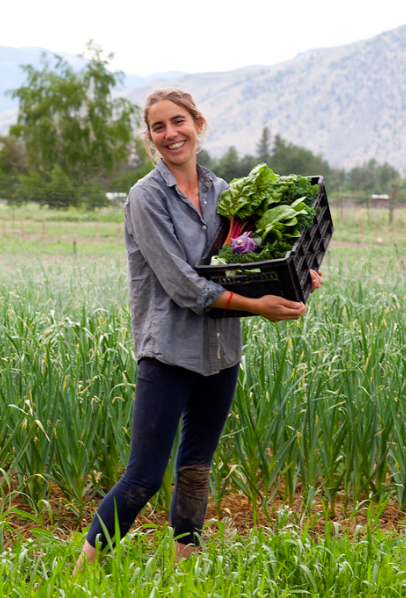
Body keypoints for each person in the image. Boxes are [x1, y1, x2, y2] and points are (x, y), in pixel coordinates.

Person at [74, 88, 322, 572]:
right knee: (143, 477)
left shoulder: (224, 192)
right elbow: (184, 285)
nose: (171, 134)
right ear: (149, 137)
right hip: (167, 351)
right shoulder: (145, 198)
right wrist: (258, 307)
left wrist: (298, 275)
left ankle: (187, 566)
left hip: (220, 351)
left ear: (198, 123)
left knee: (195, 470)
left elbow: (246, 262)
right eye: (158, 127)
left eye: (178, 121)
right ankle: (81, 573)